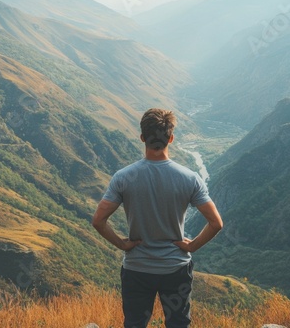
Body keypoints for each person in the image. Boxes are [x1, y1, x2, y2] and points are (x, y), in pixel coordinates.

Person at [92, 108, 223, 328]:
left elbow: (98, 221)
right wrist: (191, 247)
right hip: (176, 268)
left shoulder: (123, 178)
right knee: (178, 324)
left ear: (143, 137)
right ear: (171, 138)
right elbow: (216, 223)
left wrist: (123, 244)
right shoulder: (189, 178)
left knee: (135, 323)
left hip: (137, 268)